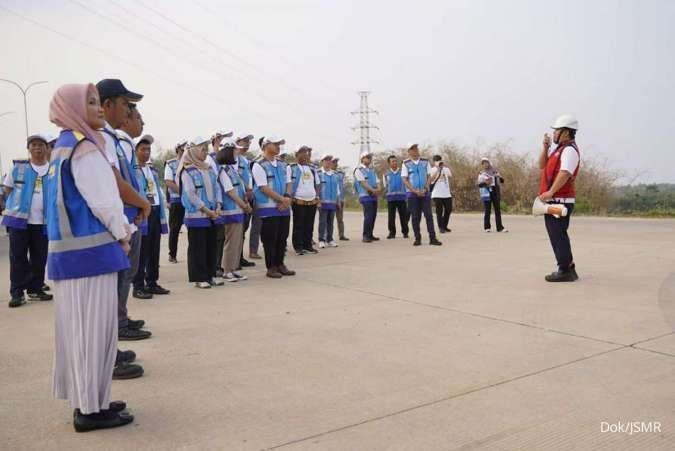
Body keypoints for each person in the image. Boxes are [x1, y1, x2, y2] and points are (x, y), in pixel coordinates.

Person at [48, 83, 134, 432]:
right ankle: (91, 411)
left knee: (80, 335)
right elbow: (105, 202)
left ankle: (89, 400)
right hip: (91, 256)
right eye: (91, 102)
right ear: (73, 108)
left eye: (98, 101)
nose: (98, 108)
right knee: (96, 334)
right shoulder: (85, 149)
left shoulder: (62, 148)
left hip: (68, 260)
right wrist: (124, 233)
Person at [96, 78, 152, 345]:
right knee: (119, 276)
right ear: (107, 105)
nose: (129, 111)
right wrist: (142, 202)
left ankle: (120, 320)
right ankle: (116, 327)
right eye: (124, 104)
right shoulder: (105, 137)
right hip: (118, 219)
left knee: (125, 274)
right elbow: (114, 180)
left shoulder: (112, 139)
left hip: (127, 215)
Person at [3, 134, 53, 307]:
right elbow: (8, 189)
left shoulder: (53, 169)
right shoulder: (19, 168)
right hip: (19, 221)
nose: (37, 148)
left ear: (47, 148)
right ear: (29, 149)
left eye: (41, 145)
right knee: (18, 257)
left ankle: (35, 289)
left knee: (40, 257)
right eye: (34, 145)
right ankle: (17, 292)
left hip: (44, 222)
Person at [538, 114, 581, 282]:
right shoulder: (559, 150)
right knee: (556, 233)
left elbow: (565, 173)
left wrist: (551, 193)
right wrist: (545, 148)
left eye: (556, 131)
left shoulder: (570, 150)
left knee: (558, 234)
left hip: (560, 201)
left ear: (566, 132)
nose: (554, 134)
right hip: (555, 201)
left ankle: (565, 270)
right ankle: (568, 267)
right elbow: (542, 165)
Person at [178, 137, 223, 288]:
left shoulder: (208, 168)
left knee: (211, 245)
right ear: (194, 151)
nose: (205, 153)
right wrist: (206, 209)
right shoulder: (187, 170)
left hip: (212, 213)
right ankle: (199, 277)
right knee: (198, 247)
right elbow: (190, 194)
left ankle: (210, 275)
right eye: (202, 149)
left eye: (206, 150)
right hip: (197, 215)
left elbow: (217, 187)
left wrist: (218, 206)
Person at [252, 136, 295, 278]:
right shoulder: (259, 165)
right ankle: (271, 267)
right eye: (275, 144)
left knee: (282, 237)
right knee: (270, 238)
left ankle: (280, 264)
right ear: (265, 145)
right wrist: (282, 199)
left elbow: (289, 183)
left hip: (284, 207)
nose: (278, 147)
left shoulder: (284, 164)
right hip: (268, 207)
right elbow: (263, 187)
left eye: (279, 144)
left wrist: (287, 198)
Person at [132, 135, 170, 297]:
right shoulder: (132, 170)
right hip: (142, 212)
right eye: (143, 149)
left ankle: (152, 281)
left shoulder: (151, 170)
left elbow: (157, 193)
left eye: (148, 149)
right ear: (135, 151)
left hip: (154, 210)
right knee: (141, 251)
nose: (146, 153)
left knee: (154, 249)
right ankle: (138, 286)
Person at [215, 138, 253, 282]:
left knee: (237, 241)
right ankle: (227, 270)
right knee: (231, 242)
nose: (237, 152)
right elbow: (230, 191)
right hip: (231, 211)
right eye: (235, 149)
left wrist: (245, 203)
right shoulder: (224, 170)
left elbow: (240, 189)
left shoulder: (232, 169)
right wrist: (244, 205)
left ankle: (233, 269)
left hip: (238, 209)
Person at [401, 144, 442, 246]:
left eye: (416, 148)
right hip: (412, 194)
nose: (415, 150)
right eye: (413, 149)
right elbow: (404, 179)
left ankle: (433, 238)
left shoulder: (425, 161)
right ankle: (417, 238)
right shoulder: (406, 163)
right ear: (409, 151)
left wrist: (425, 188)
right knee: (415, 217)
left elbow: (429, 176)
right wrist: (414, 191)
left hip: (425, 193)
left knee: (428, 215)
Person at [288, 146, 320, 255]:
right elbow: (288, 183)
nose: (305, 155)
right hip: (298, 200)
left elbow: (317, 184)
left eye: (306, 153)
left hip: (312, 201)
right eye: (302, 153)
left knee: (309, 224)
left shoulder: (312, 168)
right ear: (296, 155)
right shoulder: (291, 168)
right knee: (298, 224)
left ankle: (308, 246)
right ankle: (298, 247)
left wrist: (317, 197)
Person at [209, 130, 231, 277]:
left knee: (222, 237)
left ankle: (219, 265)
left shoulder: (226, 163)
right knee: (217, 237)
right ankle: (215, 266)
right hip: (214, 204)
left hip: (222, 203)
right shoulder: (210, 159)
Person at [234, 133, 256, 269]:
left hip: (249, 197)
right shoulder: (235, 158)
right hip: (240, 197)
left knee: (243, 230)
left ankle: (240, 257)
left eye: (249, 141)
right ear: (237, 142)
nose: (247, 143)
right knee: (236, 231)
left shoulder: (246, 160)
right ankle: (234, 260)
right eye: (244, 141)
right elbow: (236, 177)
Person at [164, 139, 187, 263]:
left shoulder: (190, 163)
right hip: (177, 201)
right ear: (178, 149)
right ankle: (172, 254)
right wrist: (184, 193)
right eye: (183, 149)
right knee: (175, 229)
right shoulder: (170, 163)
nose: (185, 152)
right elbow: (168, 182)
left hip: (189, 202)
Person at [353, 152, 380, 243]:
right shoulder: (358, 170)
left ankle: (370, 234)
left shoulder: (372, 170)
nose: (369, 159)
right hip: (365, 196)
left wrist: (378, 189)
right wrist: (373, 190)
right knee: (368, 215)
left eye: (370, 157)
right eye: (367, 157)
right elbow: (363, 183)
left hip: (374, 196)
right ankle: (365, 236)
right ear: (362, 159)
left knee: (373, 215)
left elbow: (377, 181)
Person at [477, 157, 507, 233]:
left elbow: (502, 181)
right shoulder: (481, 173)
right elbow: (479, 185)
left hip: (495, 191)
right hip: (486, 192)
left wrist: (499, 177)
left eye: (486, 162)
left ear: (489, 163)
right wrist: (486, 183)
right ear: (482, 165)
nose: (485, 164)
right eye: (483, 163)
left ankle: (499, 227)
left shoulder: (494, 171)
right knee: (487, 210)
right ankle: (487, 227)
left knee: (497, 210)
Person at [383, 155, 409, 239]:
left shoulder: (403, 173)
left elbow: (407, 184)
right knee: (391, 217)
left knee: (403, 216)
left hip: (401, 198)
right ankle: (392, 233)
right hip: (391, 199)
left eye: (395, 161)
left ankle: (405, 232)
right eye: (392, 161)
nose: (394, 163)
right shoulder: (386, 174)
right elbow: (385, 186)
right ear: (389, 163)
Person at [317, 154, 339, 248]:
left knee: (331, 222)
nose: (328, 161)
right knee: (322, 221)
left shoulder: (335, 174)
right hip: (322, 202)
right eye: (326, 160)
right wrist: (318, 200)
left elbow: (337, 189)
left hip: (333, 202)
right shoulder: (318, 173)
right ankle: (321, 239)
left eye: (330, 160)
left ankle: (330, 239)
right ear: (322, 161)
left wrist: (338, 201)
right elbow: (316, 188)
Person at [430, 155, 453, 233]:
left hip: (446, 193)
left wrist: (444, 167)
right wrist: (438, 170)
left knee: (449, 209)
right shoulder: (431, 170)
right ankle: (441, 227)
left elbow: (450, 176)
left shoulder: (446, 169)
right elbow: (430, 180)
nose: (438, 162)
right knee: (439, 211)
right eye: (436, 160)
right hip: (436, 193)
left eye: (439, 160)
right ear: (434, 162)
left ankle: (444, 225)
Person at [332, 157, 349, 241]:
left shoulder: (340, 173)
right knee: (329, 220)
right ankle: (327, 236)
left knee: (340, 219)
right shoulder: (326, 173)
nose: (336, 164)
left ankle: (341, 235)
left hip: (341, 199)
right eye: (334, 162)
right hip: (330, 200)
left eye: (336, 162)